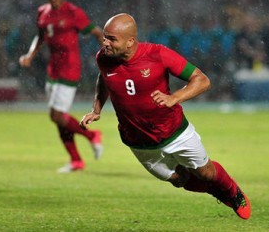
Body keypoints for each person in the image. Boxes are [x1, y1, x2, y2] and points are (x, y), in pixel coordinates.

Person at [80, 13, 251, 219]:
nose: (104, 42)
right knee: (178, 180)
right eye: (105, 37)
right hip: (138, 142)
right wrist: (96, 109)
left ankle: (234, 192)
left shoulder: (158, 54)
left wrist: (174, 98)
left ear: (130, 41)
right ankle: (216, 191)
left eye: (111, 39)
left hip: (175, 132)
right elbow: (104, 78)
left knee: (205, 173)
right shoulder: (104, 58)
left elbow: (202, 80)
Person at [19, 0, 104, 173]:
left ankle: (93, 136)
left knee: (56, 115)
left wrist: (106, 58)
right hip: (53, 71)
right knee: (59, 117)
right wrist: (30, 55)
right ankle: (76, 160)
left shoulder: (74, 13)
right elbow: (40, 36)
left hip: (70, 69)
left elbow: (97, 33)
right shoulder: (42, 12)